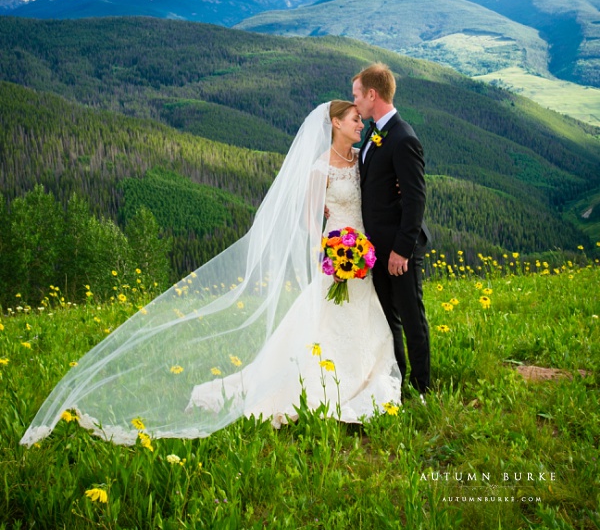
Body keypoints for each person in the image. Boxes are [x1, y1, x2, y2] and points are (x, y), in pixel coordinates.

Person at [21, 101, 400, 448]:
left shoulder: (360, 158)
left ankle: (366, 378)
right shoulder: (320, 167)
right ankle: (320, 388)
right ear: (335, 122)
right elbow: (308, 218)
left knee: (365, 317)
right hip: (340, 256)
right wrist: (334, 246)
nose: (361, 123)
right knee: (327, 324)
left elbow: (377, 188)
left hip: (364, 252)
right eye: (354, 119)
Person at [352, 64, 431, 398]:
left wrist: (402, 249)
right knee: (388, 322)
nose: (353, 102)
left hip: (399, 250)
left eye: (356, 95)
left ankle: (423, 387)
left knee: (412, 318)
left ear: (373, 95)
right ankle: (396, 384)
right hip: (376, 248)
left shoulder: (403, 137)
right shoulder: (373, 132)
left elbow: (415, 200)